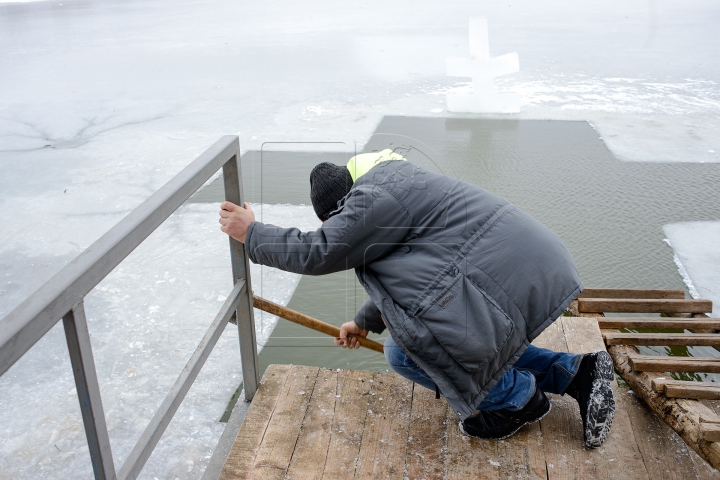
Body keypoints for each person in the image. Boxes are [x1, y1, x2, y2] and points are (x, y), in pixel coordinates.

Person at [218, 150, 615, 447]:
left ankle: (518, 399)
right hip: (522, 266)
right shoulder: (394, 188)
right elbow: (416, 283)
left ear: (340, 209)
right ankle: (576, 373)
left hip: (503, 275)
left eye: (335, 222)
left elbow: (317, 252)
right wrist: (364, 322)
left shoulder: (371, 201)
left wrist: (251, 233)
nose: (338, 227)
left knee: (404, 352)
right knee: (458, 338)